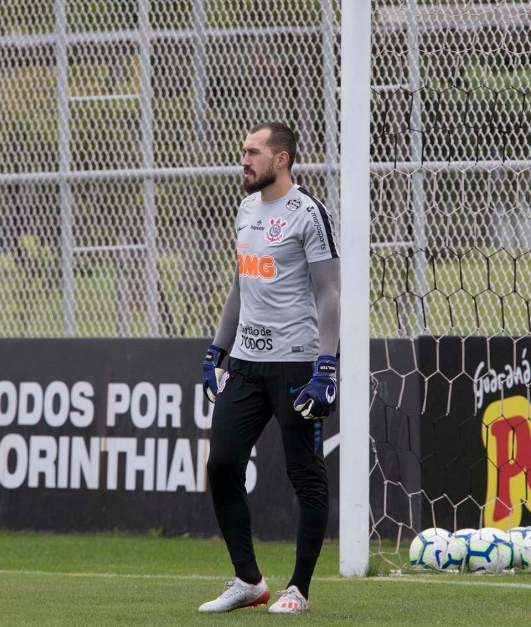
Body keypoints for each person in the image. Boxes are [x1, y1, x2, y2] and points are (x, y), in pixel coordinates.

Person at [198, 122, 340, 614]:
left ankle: (298, 589)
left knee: (305, 476)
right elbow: (241, 286)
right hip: (245, 364)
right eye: (244, 151)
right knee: (221, 465)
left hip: (297, 364)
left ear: (281, 159)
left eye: (253, 152)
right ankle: (249, 582)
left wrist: (327, 367)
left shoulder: (308, 213)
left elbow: (329, 294)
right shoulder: (244, 210)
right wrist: (216, 350)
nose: (244, 160)